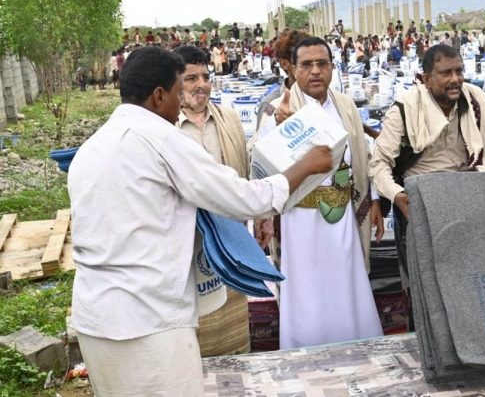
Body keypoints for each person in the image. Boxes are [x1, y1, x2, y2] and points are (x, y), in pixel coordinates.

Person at [68, 46, 333, 396]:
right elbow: (244, 198)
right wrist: (306, 166)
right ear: (159, 95)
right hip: (148, 323)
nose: (181, 101)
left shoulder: (93, 147)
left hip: (95, 318)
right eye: (179, 91)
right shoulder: (161, 139)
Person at [369, 44, 485, 331]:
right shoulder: (405, 108)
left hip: (470, 200)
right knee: (425, 289)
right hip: (423, 205)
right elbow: (378, 163)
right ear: (426, 78)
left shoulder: (476, 99)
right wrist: (398, 195)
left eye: (459, 71)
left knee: (473, 283)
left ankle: (475, 342)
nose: (455, 79)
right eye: (445, 73)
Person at [252, 37, 384, 349]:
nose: (315, 71)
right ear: (293, 70)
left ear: (332, 68)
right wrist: (279, 127)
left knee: (346, 285)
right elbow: (258, 162)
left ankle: (353, 350)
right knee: (307, 292)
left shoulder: (345, 105)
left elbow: (363, 155)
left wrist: (375, 199)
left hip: (343, 216)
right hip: (300, 220)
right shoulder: (277, 109)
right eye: (307, 65)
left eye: (322, 64)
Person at [172, 45, 252, 357]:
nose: (201, 85)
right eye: (191, 78)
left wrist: (259, 220)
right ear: (175, 83)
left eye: (205, 77)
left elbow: (245, 175)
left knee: (233, 328)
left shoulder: (228, 119)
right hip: (187, 245)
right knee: (195, 330)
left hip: (231, 240)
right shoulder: (166, 128)